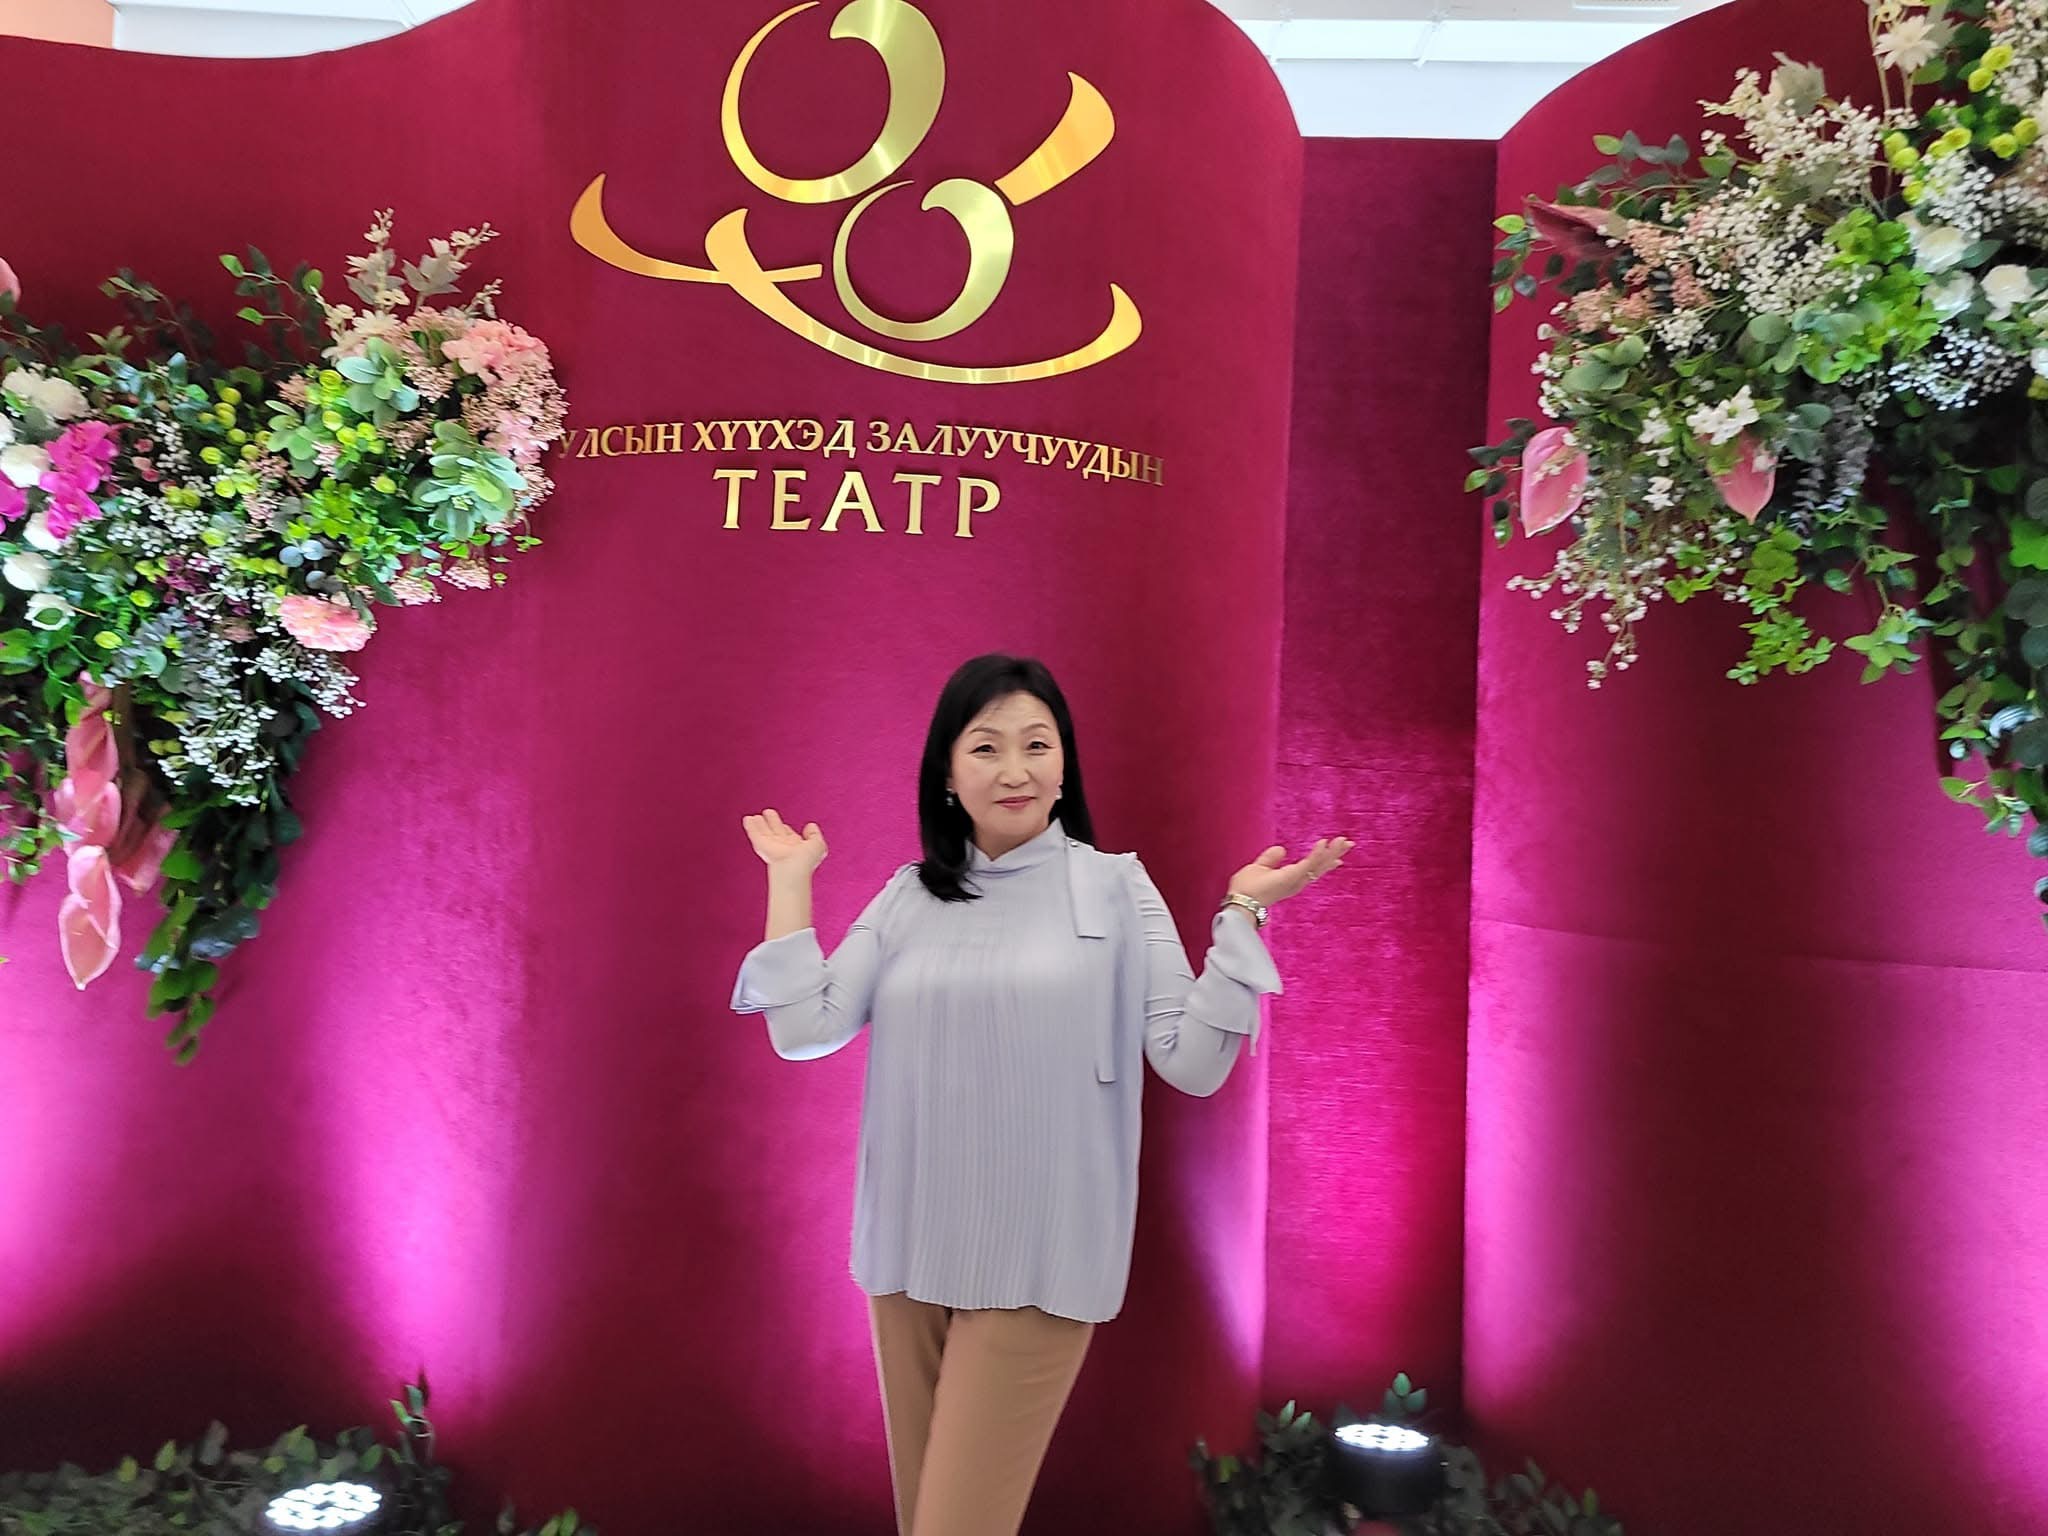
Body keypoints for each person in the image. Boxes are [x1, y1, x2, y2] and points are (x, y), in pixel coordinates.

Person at [731, 653, 1351, 1536]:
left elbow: (1192, 1061)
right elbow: (804, 1028)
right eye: (986, 747)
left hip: (1042, 1251)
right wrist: (790, 880)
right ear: (947, 775)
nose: (1014, 769)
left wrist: (1242, 916)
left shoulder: (1115, 886)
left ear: (1065, 766)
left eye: (1037, 744)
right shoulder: (909, 895)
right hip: (905, 1246)